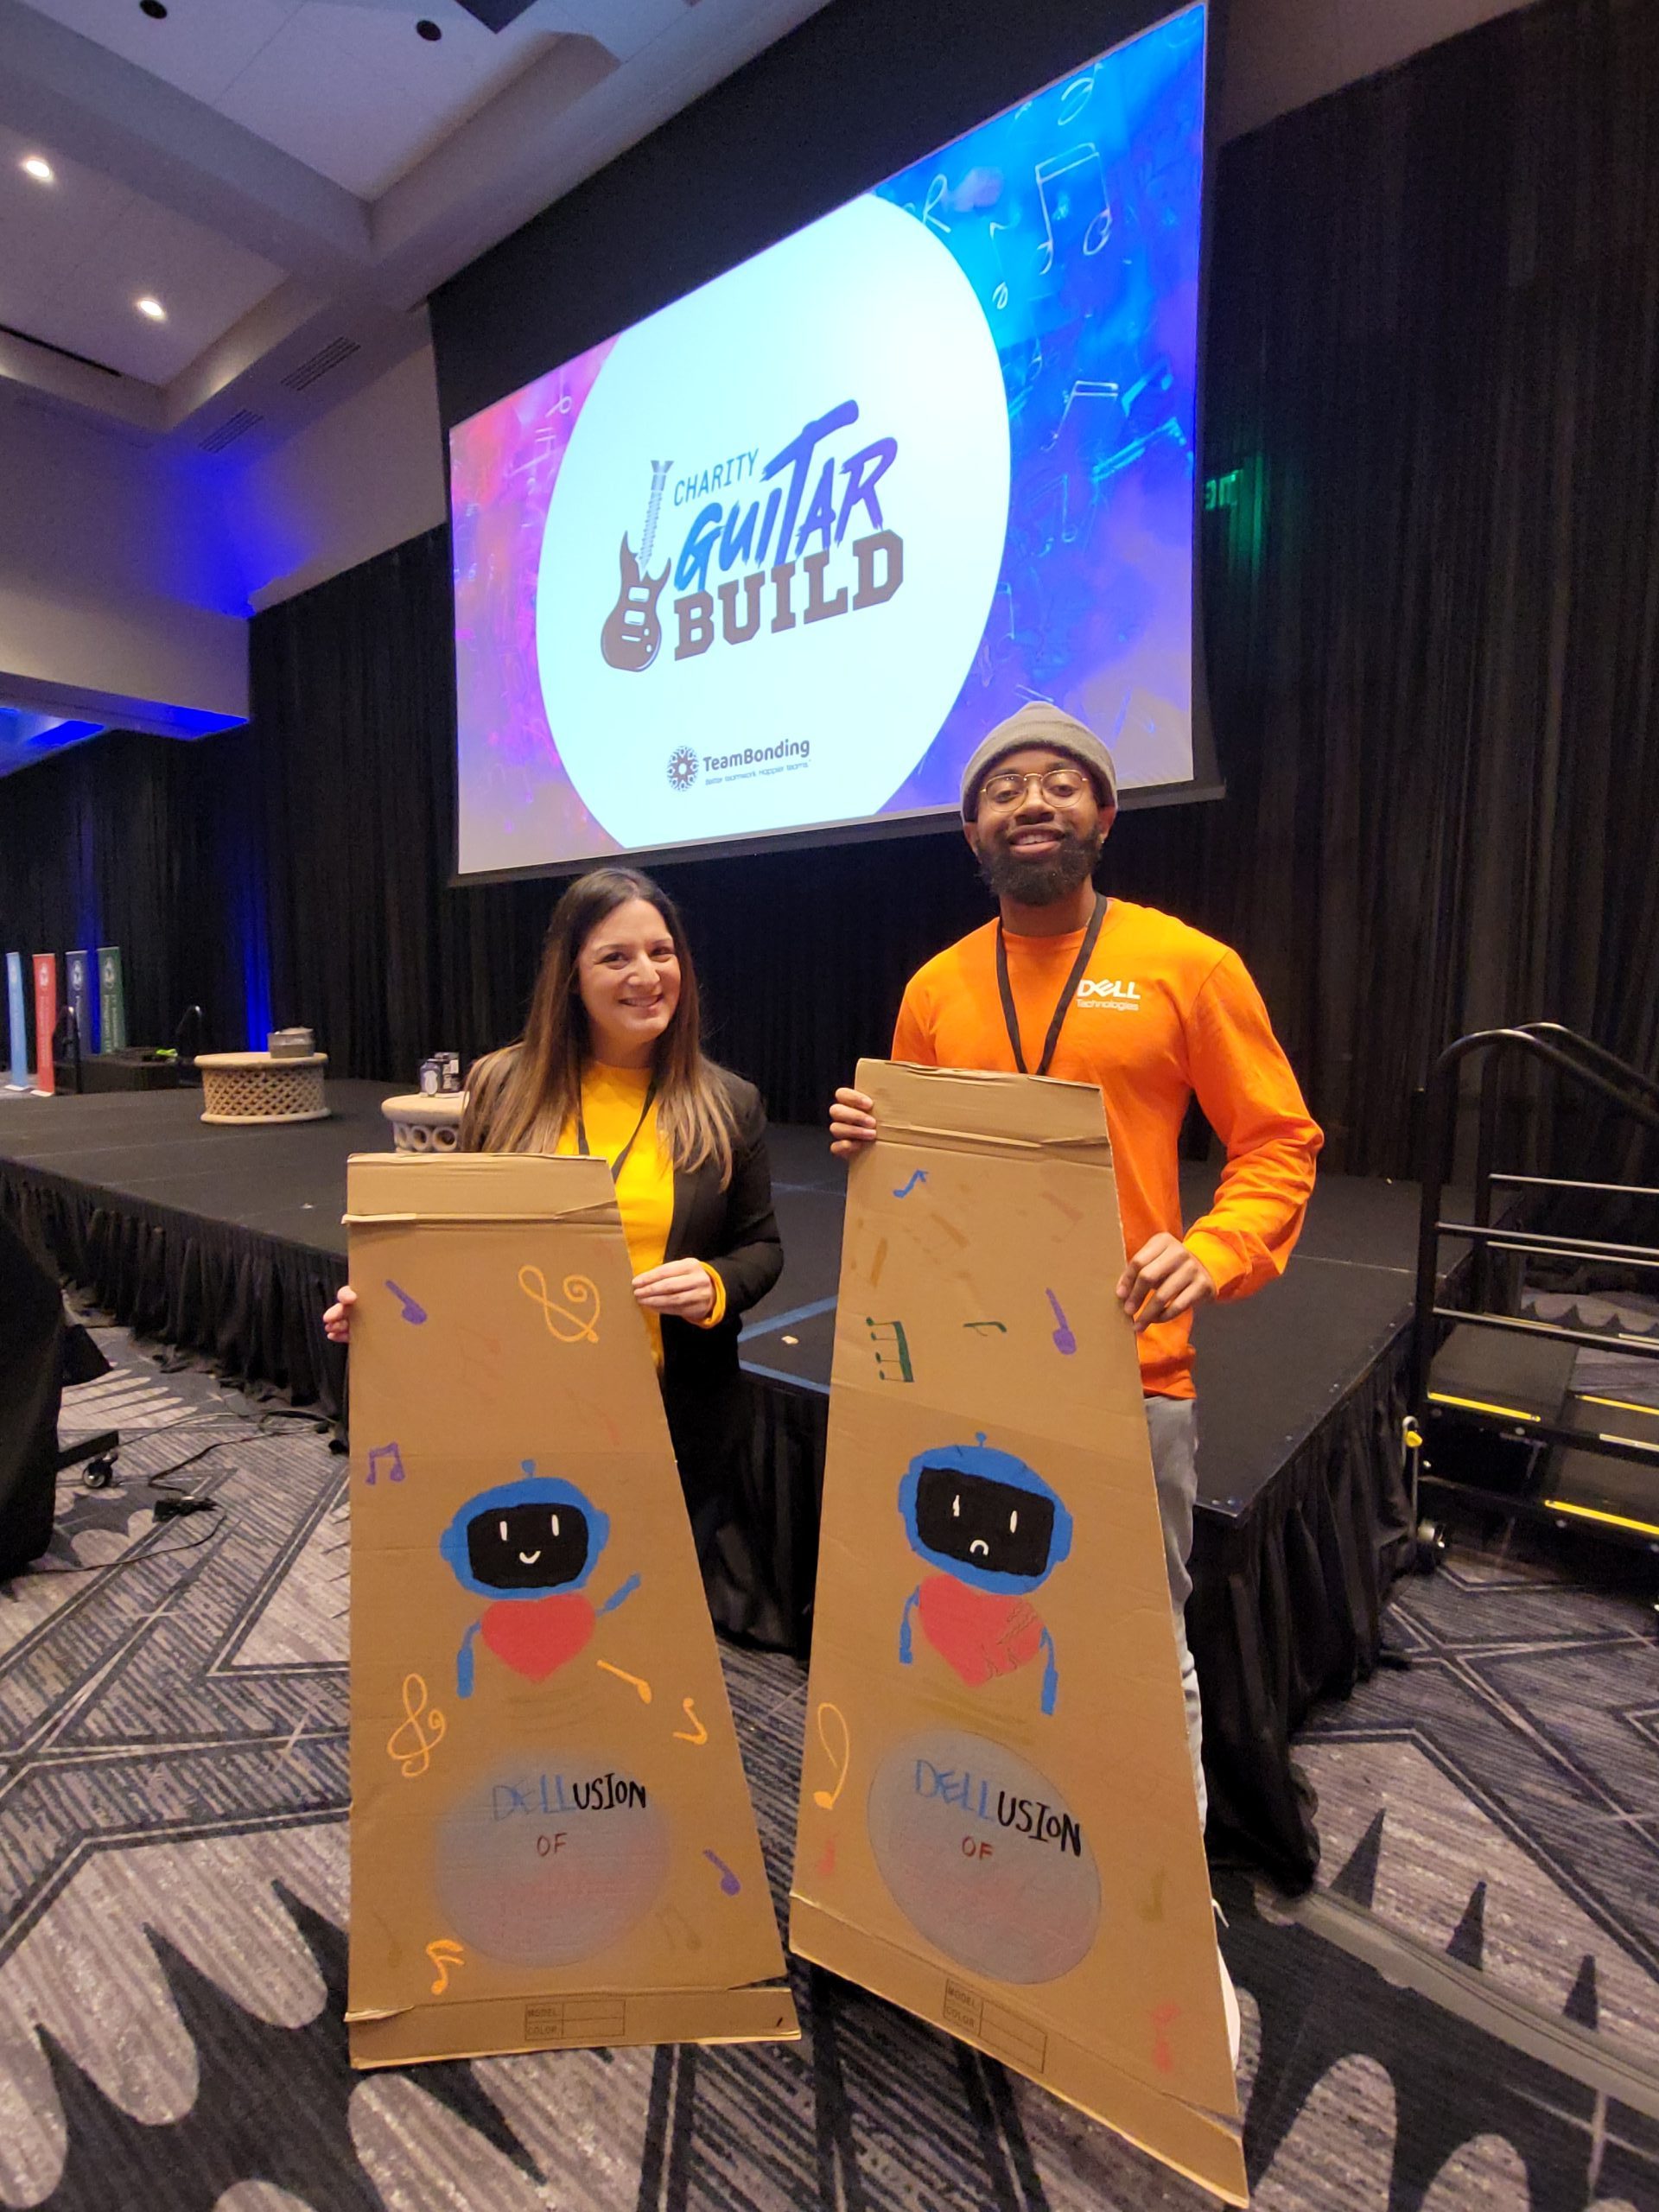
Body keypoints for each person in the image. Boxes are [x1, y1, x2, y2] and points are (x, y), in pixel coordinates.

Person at [831, 700, 1323, 1829]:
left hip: (1127, 1368)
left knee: (1140, 1642)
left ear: (1103, 812)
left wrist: (1215, 1248)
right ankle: (1009, 1841)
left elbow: (1279, 1141)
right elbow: (912, 1181)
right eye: (1004, 790)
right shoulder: (936, 989)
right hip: (966, 1381)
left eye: (1059, 783)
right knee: (977, 1617)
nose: (1032, 802)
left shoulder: (1184, 966)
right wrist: (872, 1146)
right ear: (973, 833)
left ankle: (1166, 1909)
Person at [326, 868, 783, 1557]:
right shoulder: (502, 1085)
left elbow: (762, 1247)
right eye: (615, 957)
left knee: (654, 1596)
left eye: (662, 953)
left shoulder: (729, 1102)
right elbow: (461, 1246)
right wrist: (385, 1304)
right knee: (540, 1590)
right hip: (525, 1400)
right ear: (571, 976)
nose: (647, 975)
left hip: (674, 1410)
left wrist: (715, 1285)